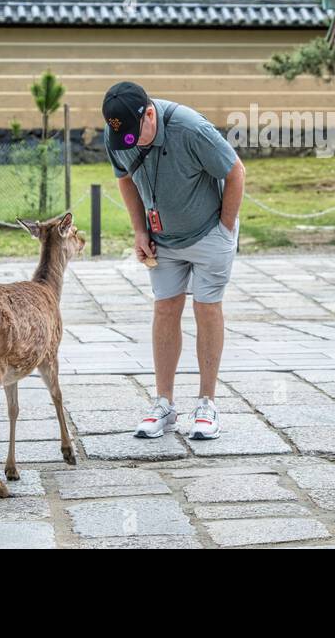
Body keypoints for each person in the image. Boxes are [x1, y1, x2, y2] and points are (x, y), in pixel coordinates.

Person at [102, 81, 246, 441]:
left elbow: (235, 171)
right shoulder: (117, 133)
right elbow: (125, 179)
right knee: (165, 308)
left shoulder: (191, 129)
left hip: (208, 232)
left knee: (206, 308)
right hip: (161, 238)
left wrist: (225, 229)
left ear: (149, 114)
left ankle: (207, 403)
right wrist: (139, 230)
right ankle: (163, 403)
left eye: (137, 136)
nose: (129, 144)